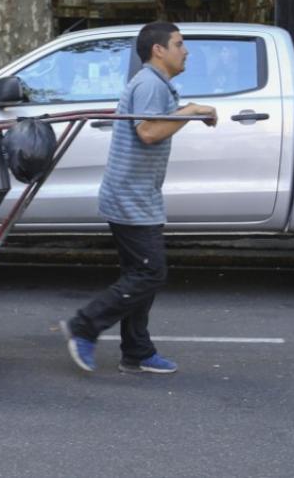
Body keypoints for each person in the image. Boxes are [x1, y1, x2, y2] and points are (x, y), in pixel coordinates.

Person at [60, 22, 218, 374]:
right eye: (179, 44)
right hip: (130, 197)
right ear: (158, 50)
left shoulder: (157, 84)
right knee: (150, 274)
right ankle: (84, 326)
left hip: (136, 193)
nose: (186, 50)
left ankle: (137, 351)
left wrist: (188, 111)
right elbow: (148, 131)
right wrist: (190, 111)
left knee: (139, 273)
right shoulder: (150, 84)